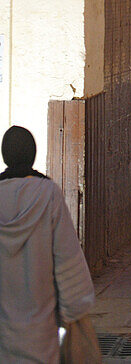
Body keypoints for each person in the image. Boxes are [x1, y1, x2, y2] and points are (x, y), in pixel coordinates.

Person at [0, 126, 97, 364]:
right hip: (41, 332)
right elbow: (67, 258)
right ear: (32, 154)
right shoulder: (47, 193)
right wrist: (74, 307)